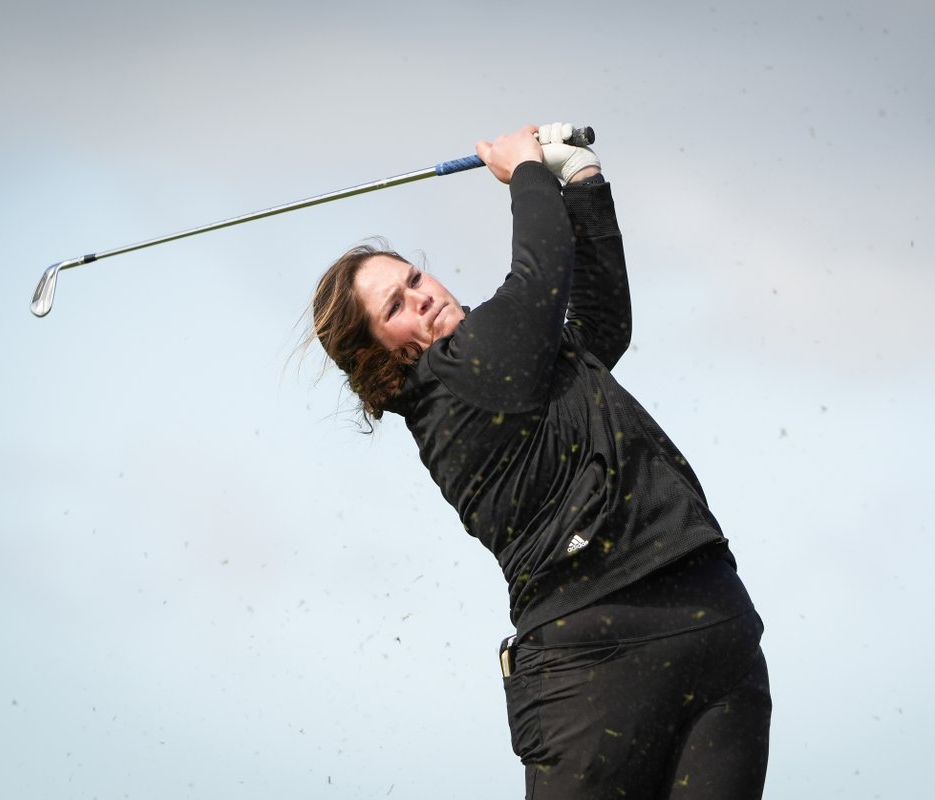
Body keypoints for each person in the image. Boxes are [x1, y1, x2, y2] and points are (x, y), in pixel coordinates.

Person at [309, 124, 771, 799]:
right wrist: (526, 169)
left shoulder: (515, 361)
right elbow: (540, 274)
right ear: (379, 355)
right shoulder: (453, 378)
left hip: (706, 619)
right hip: (601, 658)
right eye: (396, 306)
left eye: (413, 277)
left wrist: (582, 182)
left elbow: (600, 325)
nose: (424, 295)